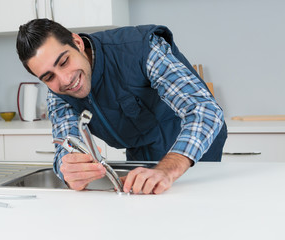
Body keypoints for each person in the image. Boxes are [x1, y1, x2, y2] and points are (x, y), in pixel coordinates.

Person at [16, 18, 227, 194]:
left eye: (64, 62)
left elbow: (205, 111)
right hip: (140, 156)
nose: (64, 80)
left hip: (191, 153)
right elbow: (65, 146)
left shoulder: (141, 48)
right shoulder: (57, 93)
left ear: (77, 43)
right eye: (48, 76)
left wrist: (167, 169)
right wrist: (69, 171)